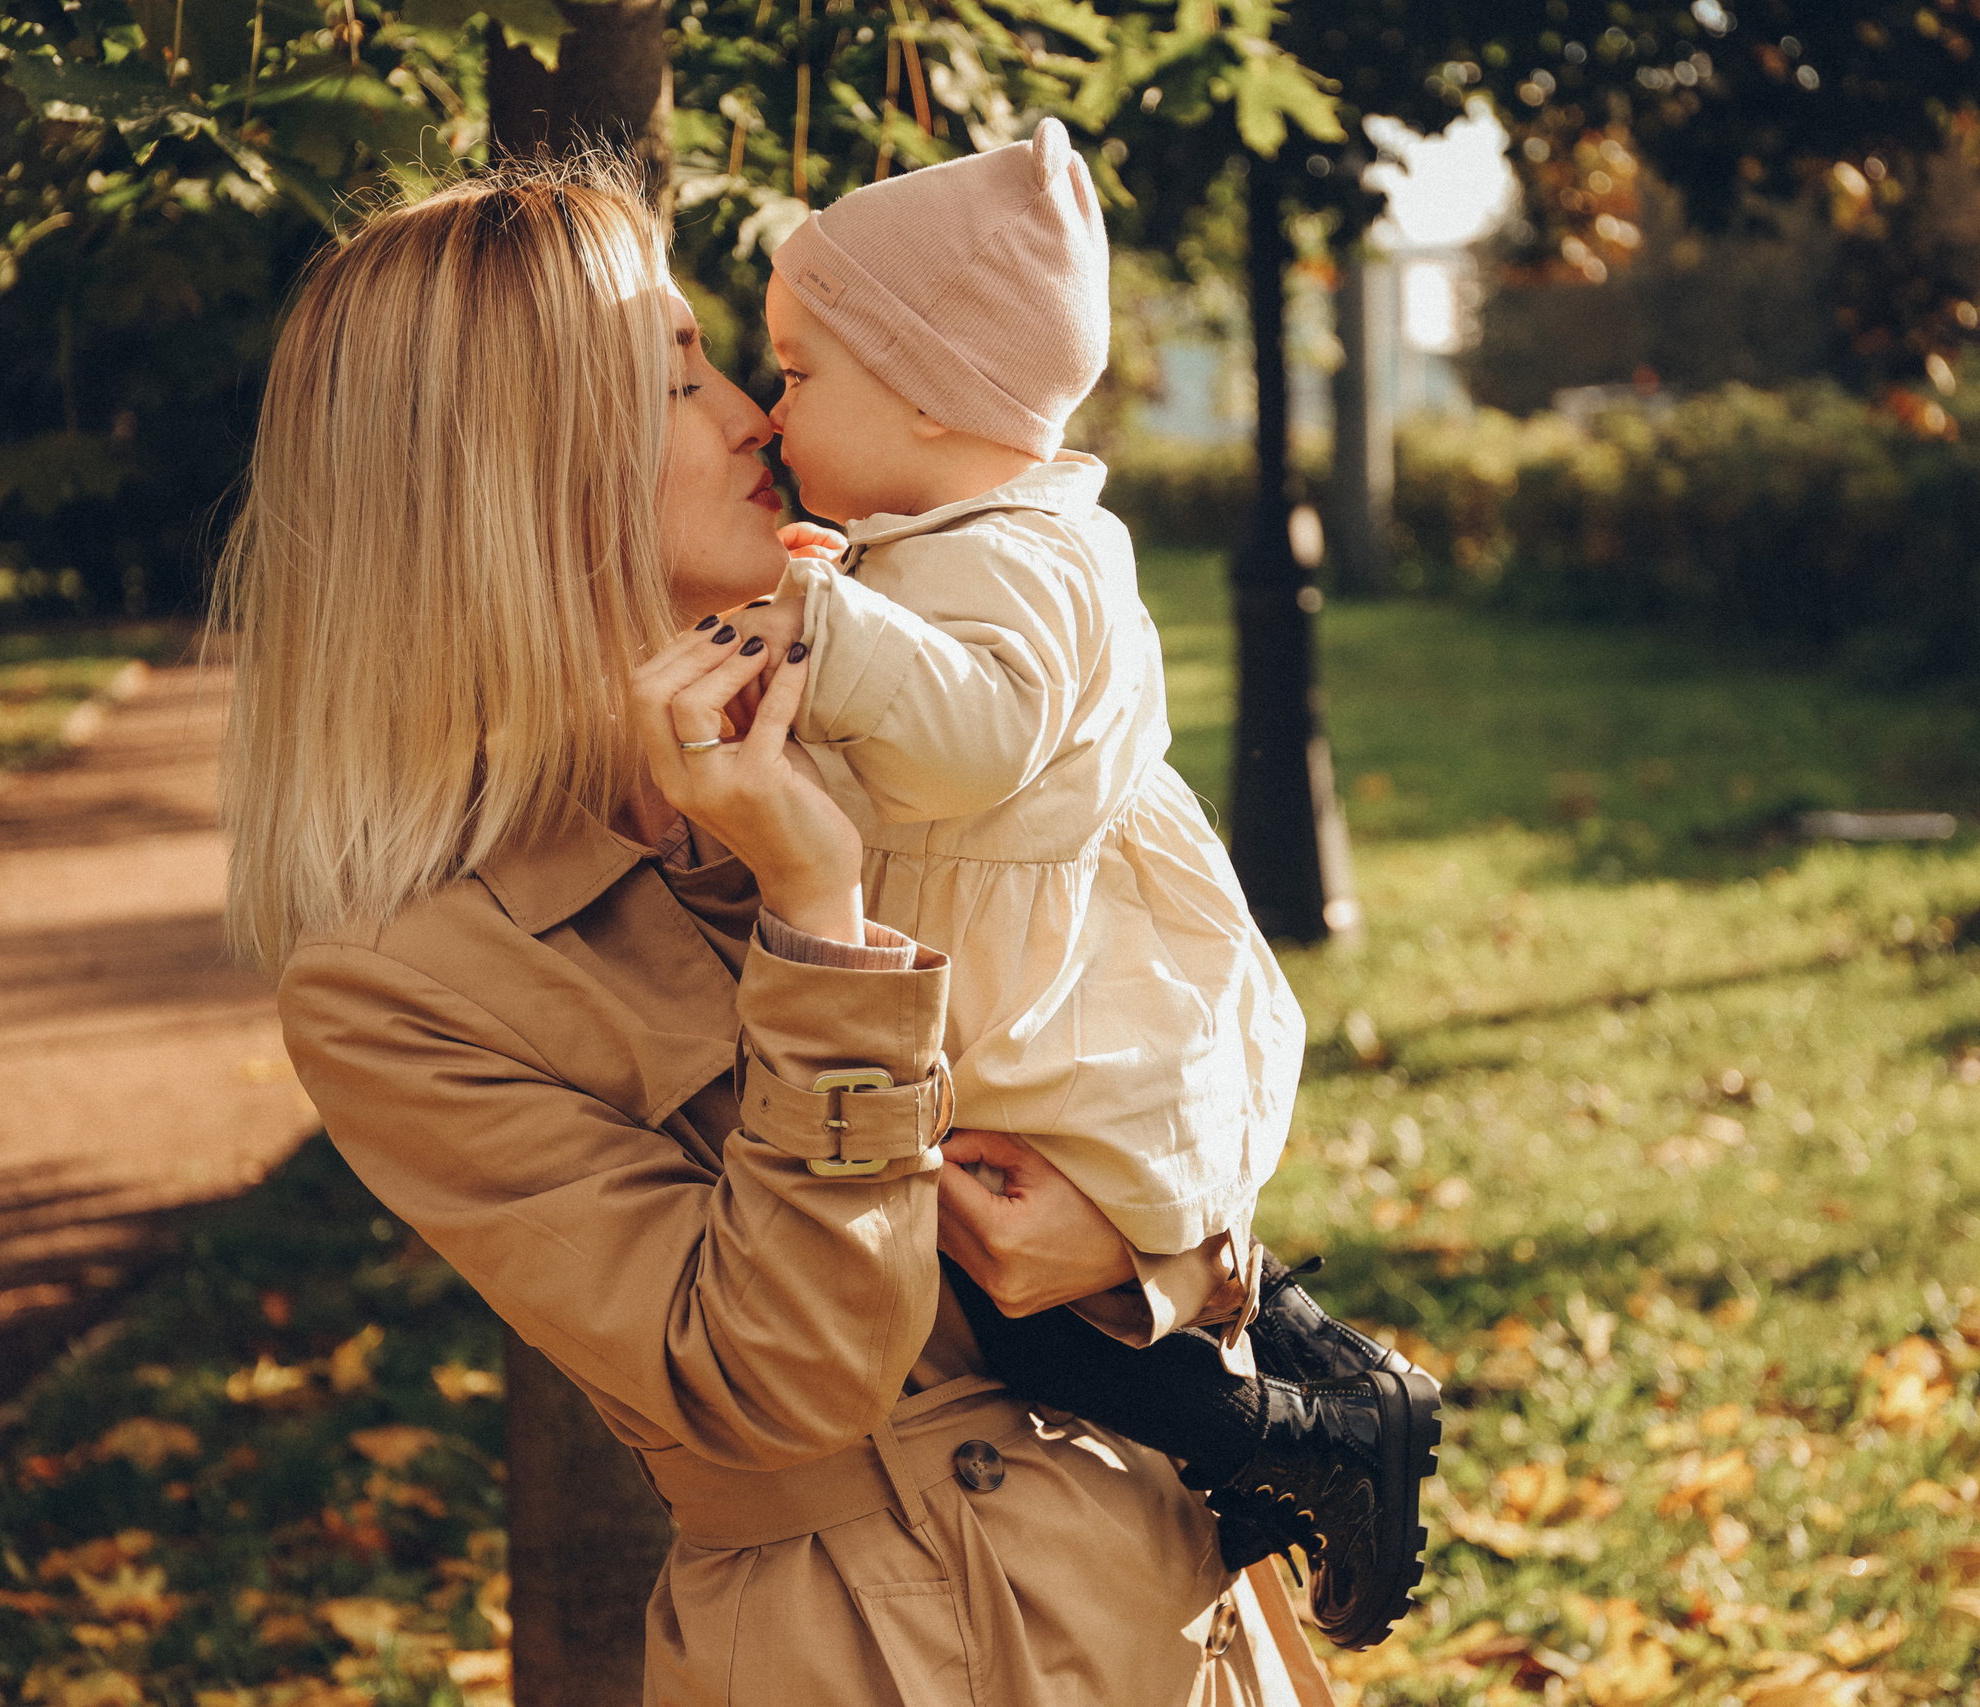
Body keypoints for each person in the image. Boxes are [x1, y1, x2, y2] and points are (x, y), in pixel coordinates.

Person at [218, 158, 1317, 1703]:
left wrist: (1166, 1248)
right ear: (520, 477)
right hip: (898, 1650)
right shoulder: (403, 983)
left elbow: (1173, 1013)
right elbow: (772, 1381)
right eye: (679, 381)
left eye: (730, 361)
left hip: (1170, 1588)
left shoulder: (901, 724)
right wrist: (814, 919)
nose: (751, 414)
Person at [728, 121, 1441, 1645]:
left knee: (1033, 1314)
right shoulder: (942, 541)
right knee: (1046, 1284)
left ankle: (1310, 1435)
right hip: (1008, 975)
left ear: (925, 386)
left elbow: (969, 748)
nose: (770, 410)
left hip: (1065, 995)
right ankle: (1318, 1380)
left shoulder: (1035, 553)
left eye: (799, 373)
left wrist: (823, 626)